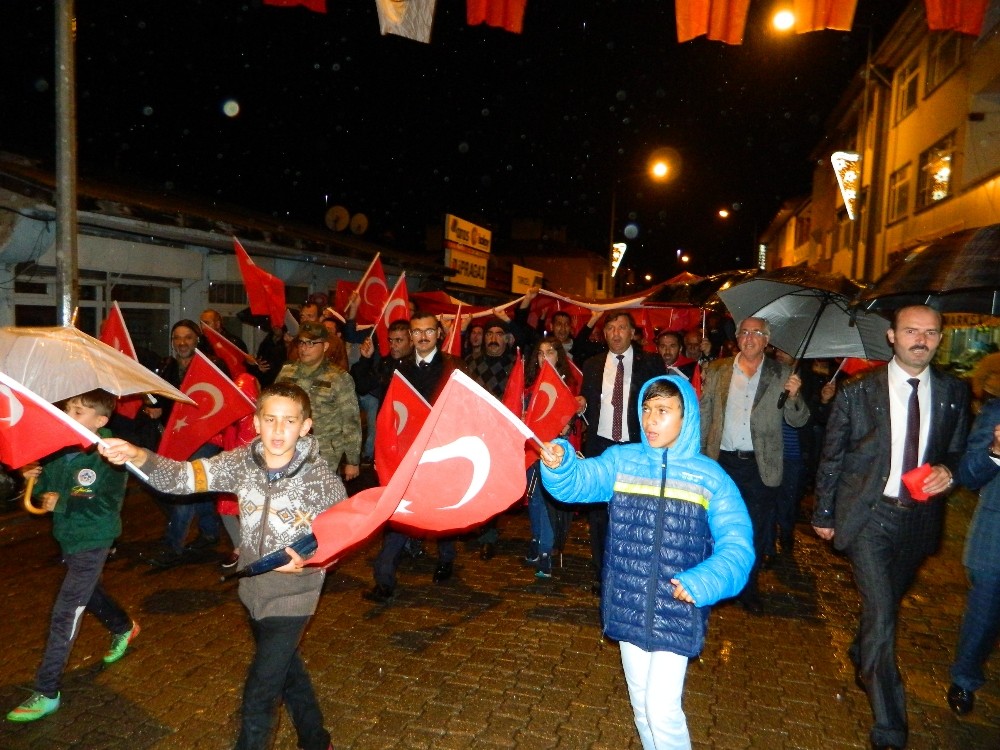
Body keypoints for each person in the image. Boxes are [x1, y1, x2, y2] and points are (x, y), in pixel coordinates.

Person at [99, 383, 343, 750]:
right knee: (285, 670)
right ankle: (316, 738)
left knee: (261, 690)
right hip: (253, 592)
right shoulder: (239, 463)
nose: (278, 430)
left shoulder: (321, 481)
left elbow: (342, 533)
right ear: (256, 422)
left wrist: (314, 558)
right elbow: (182, 478)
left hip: (294, 597)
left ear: (305, 426)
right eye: (270, 419)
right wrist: (137, 454)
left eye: (289, 421)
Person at [538, 375, 754, 750]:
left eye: (663, 411)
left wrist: (706, 580)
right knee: (641, 705)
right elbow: (579, 482)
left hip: (677, 606)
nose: (651, 420)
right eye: (647, 410)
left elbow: (737, 545)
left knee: (661, 708)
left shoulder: (710, 477)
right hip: (629, 599)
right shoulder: (623, 461)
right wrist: (560, 464)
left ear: (686, 418)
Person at [812, 305, 969, 750]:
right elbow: (833, 457)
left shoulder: (954, 392)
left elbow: (956, 451)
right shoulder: (858, 394)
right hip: (869, 517)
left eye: (931, 333)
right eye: (912, 331)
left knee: (885, 607)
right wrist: (824, 514)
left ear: (940, 339)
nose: (921, 339)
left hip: (919, 521)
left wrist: (949, 471)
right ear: (891, 336)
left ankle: (864, 652)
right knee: (883, 616)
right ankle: (890, 727)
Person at [7, 390, 139, 723]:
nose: (69, 414)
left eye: (79, 411)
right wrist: (31, 481)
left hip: (95, 537)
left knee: (66, 610)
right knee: (89, 592)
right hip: (67, 537)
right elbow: (42, 495)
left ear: (100, 421)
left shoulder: (110, 455)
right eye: (68, 408)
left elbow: (108, 503)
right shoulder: (55, 448)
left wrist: (62, 502)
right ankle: (124, 626)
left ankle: (47, 690)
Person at [699, 316, 808, 613]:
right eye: (744, 332)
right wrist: (698, 456)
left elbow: (798, 420)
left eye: (756, 333)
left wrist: (795, 396)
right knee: (715, 525)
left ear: (766, 340)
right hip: (722, 461)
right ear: (736, 337)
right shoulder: (718, 369)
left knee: (756, 529)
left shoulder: (782, 373)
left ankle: (749, 588)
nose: (749, 337)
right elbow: (705, 414)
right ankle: (715, 585)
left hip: (761, 465)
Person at [364, 311, 467, 602]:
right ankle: (384, 579)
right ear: (411, 335)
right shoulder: (398, 368)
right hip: (407, 455)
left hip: (442, 451)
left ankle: (446, 557)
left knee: (441, 509)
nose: (422, 337)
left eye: (428, 331)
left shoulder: (455, 367)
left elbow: (466, 407)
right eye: (417, 331)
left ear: (439, 334)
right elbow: (386, 411)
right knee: (399, 513)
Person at [579, 311, 667, 595]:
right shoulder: (592, 365)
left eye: (622, 328)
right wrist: (580, 404)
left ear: (633, 333)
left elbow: (662, 402)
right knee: (599, 515)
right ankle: (601, 572)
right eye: (611, 328)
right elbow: (587, 403)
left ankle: (630, 572)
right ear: (604, 334)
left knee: (634, 512)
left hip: (636, 447)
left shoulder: (651, 363)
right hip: (601, 447)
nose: (616, 333)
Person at [147, 319, 228, 567]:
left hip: (207, 436)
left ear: (197, 340)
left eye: (188, 337)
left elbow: (225, 398)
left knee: (184, 486)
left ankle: (173, 545)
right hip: (179, 438)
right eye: (177, 338)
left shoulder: (213, 365)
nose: (182, 342)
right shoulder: (166, 365)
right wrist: (155, 409)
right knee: (197, 486)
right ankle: (210, 532)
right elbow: (160, 399)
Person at [947, 393, 1000, 716]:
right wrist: (996, 451)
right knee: (984, 617)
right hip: (995, 538)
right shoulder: (996, 411)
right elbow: (967, 475)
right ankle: (965, 678)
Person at [522, 336, 583, 578]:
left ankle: (546, 550)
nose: (544, 356)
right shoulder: (528, 386)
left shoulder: (569, 387)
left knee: (548, 501)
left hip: (555, 450)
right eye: (540, 352)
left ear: (559, 355)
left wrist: (569, 418)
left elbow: (575, 413)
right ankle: (537, 539)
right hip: (531, 449)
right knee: (534, 498)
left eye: (550, 351)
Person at [276, 321, 361, 482]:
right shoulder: (287, 373)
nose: (304, 348)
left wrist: (352, 460)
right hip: (289, 451)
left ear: (325, 346)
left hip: (325, 454)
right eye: (301, 342)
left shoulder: (338, 378)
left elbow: (351, 420)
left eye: (311, 343)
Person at [350, 319, 414, 466]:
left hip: (408, 429)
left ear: (411, 341)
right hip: (387, 426)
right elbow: (362, 386)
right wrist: (366, 359)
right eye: (391, 340)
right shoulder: (386, 363)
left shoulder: (419, 367)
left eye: (399, 340)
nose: (393, 345)